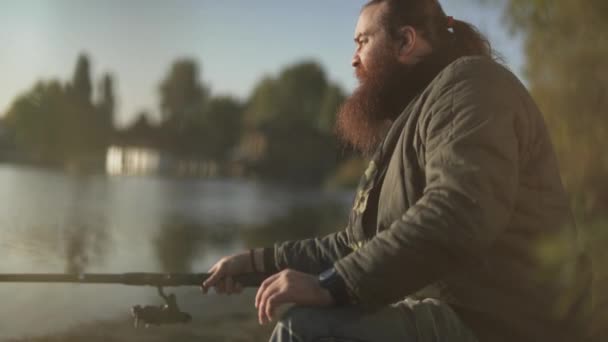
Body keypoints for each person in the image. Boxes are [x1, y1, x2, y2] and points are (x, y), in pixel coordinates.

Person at [202, 0, 593, 341]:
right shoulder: (420, 116)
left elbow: (459, 212)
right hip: (467, 316)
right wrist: (256, 263)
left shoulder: (470, 85)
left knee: (305, 327)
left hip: (507, 326)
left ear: (406, 41)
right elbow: (356, 243)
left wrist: (331, 286)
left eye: (362, 42)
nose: (353, 58)